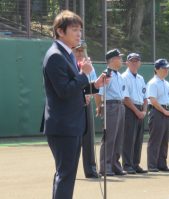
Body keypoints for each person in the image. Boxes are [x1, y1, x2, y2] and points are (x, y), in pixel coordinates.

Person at [42, 10, 108, 199]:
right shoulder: (55, 56)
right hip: (64, 125)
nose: (79, 34)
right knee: (66, 175)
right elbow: (63, 91)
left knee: (66, 174)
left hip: (71, 124)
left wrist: (95, 85)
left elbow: (74, 89)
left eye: (80, 30)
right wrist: (84, 74)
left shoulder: (68, 54)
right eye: (74, 30)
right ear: (60, 31)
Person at [96, 49, 128, 176]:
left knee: (118, 138)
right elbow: (99, 94)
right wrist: (99, 107)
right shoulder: (106, 74)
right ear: (113, 60)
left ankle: (115, 165)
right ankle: (105, 167)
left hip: (120, 106)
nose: (121, 60)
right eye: (119, 58)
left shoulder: (119, 75)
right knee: (109, 137)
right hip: (110, 106)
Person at [73, 41, 98, 178]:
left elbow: (93, 84)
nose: (80, 53)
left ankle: (91, 169)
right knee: (74, 139)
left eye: (82, 50)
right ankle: (71, 170)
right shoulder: (69, 65)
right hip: (73, 106)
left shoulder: (89, 66)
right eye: (77, 50)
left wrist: (89, 95)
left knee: (88, 138)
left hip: (86, 105)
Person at [146, 58, 169, 172]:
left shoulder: (166, 83)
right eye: (164, 68)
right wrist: (164, 111)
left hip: (166, 112)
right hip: (157, 112)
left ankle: (162, 164)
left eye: (167, 68)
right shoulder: (152, 83)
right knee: (155, 139)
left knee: (164, 139)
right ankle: (152, 165)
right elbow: (153, 100)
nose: (166, 70)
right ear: (156, 69)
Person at [121, 53, 148, 174]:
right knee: (128, 138)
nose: (134, 63)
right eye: (132, 61)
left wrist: (144, 111)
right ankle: (127, 165)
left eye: (137, 61)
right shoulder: (124, 77)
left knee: (138, 138)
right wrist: (137, 111)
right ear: (127, 63)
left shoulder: (141, 78)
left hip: (140, 109)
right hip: (129, 109)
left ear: (140, 63)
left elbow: (145, 97)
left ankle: (135, 164)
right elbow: (125, 98)